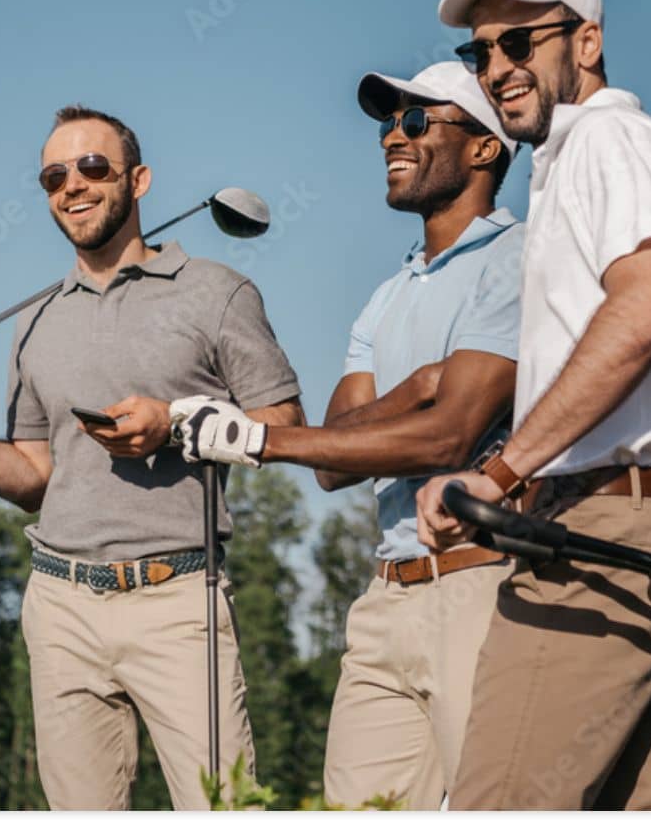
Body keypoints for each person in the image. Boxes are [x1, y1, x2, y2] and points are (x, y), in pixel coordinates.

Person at [0, 104, 303, 810]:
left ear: (138, 180)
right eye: (54, 176)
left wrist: (175, 423)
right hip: (60, 604)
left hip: (178, 597)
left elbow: (283, 425)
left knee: (224, 808)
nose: (72, 185)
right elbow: (33, 479)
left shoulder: (218, 292)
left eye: (92, 167)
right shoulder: (35, 319)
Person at [415, 0, 651, 810]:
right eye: (481, 53)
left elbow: (644, 313)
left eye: (519, 42)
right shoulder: (572, 159)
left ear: (586, 42)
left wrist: (498, 473)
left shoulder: (609, 139)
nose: (497, 69)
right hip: (634, 525)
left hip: (604, 527)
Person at [168, 62, 524, 809]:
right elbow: (335, 459)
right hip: (386, 598)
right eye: (389, 123)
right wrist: (417, 387)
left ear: (486, 147)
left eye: (417, 120)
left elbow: (448, 437)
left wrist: (257, 439)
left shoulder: (519, 259)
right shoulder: (386, 296)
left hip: (484, 586)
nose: (393, 136)